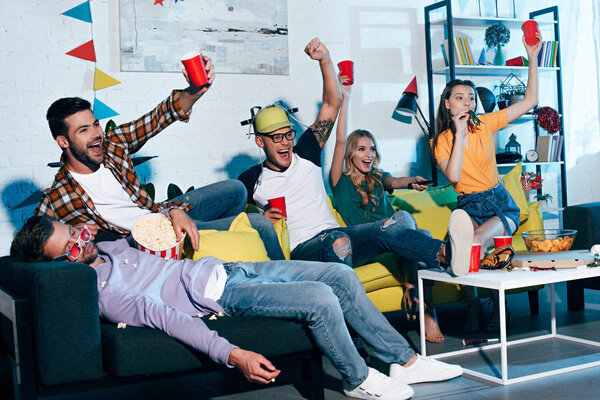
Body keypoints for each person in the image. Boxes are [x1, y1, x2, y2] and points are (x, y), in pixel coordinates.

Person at [11, 216, 465, 400]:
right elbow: (168, 319)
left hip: (233, 268)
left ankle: (403, 360)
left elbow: (145, 227)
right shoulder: (107, 292)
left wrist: (175, 213)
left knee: (342, 275)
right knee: (321, 298)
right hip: (224, 296)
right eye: (68, 249)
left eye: (74, 232)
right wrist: (235, 354)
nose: (80, 242)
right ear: (56, 267)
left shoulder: (107, 246)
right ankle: (357, 378)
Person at [238, 38, 474, 279]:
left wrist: (325, 60)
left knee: (388, 226)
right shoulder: (250, 179)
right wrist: (257, 220)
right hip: (304, 249)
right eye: (276, 138)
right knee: (337, 241)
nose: (286, 143)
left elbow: (332, 103)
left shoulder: (305, 153)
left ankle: (448, 254)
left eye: (288, 135)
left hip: (339, 233)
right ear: (260, 141)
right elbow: (225, 218)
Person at [35, 56, 284, 260]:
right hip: (149, 239)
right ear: (63, 141)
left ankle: (215, 249)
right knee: (259, 226)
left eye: (95, 125)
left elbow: (157, 118)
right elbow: (28, 244)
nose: (96, 134)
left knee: (236, 190)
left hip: (162, 212)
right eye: (83, 130)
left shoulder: (113, 146)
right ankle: (285, 277)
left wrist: (196, 90)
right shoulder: (57, 197)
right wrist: (77, 235)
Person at [430, 30, 542, 332]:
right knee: (454, 252)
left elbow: (531, 99)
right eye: (459, 98)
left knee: (474, 243)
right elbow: (453, 176)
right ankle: (474, 306)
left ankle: (494, 305)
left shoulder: (486, 124)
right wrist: (460, 134)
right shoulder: (441, 140)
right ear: (448, 105)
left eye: (470, 98)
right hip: (467, 205)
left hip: (498, 203)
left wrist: (532, 56)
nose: (467, 103)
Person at [329, 73, 444, 343]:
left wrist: (410, 181)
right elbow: (338, 140)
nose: (368, 154)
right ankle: (425, 302)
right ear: (350, 154)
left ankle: (413, 287)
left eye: (371, 149)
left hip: (393, 236)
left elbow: (395, 180)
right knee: (405, 221)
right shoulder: (339, 181)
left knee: (413, 228)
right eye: (360, 149)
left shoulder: (379, 177)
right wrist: (345, 97)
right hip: (364, 240)